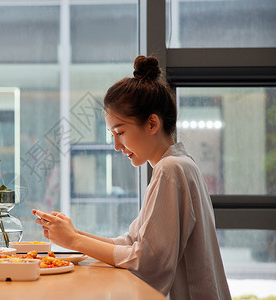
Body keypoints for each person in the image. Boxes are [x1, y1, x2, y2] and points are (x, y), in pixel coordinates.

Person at [32, 55, 231, 300]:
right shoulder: (178, 165)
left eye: (121, 132)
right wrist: (75, 235)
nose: (116, 145)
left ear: (152, 124)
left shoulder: (171, 169)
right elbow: (131, 243)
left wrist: (74, 241)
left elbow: (148, 264)